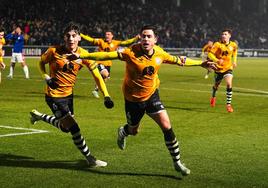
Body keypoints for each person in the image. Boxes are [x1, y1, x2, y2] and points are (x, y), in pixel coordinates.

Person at [69, 25, 216, 176]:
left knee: (166, 125)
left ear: (155, 39)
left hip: (152, 95)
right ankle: (123, 131)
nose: (146, 39)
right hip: (133, 99)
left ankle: (177, 162)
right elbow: (106, 56)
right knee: (134, 131)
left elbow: (179, 60)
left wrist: (200, 63)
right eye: (143, 36)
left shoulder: (160, 53)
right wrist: (83, 56)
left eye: (149, 36)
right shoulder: (130, 52)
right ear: (139, 38)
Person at [29, 23, 114, 167]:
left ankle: (38, 116)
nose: (71, 39)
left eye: (74, 36)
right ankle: (90, 159)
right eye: (68, 36)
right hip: (53, 95)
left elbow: (97, 76)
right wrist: (46, 78)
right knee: (74, 128)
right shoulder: (54, 51)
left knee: (65, 127)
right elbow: (40, 63)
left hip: (69, 95)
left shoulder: (83, 55)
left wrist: (106, 95)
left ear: (79, 38)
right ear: (64, 38)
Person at [80, 31, 139, 98]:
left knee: (105, 78)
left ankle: (96, 90)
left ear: (112, 36)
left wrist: (135, 38)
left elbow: (126, 42)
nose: (107, 35)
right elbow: (91, 39)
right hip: (100, 62)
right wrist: (81, 35)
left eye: (108, 34)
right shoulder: (101, 41)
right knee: (105, 74)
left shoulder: (115, 43)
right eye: (106, 34)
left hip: (108, 64)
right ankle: (98, 91)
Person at [208, 29, 238, 113]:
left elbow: (235, 52)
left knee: (229, 83)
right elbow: (210, 54)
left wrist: (234, 61)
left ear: (229, 36)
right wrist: (216, 60)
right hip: (218, 68)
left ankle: (228, 105)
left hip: (228, 68)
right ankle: (213, 96)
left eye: (225, 34)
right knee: (216, 86)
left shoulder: (233, 45)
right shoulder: (217, 44)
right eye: (222, 34)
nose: (223, 35)